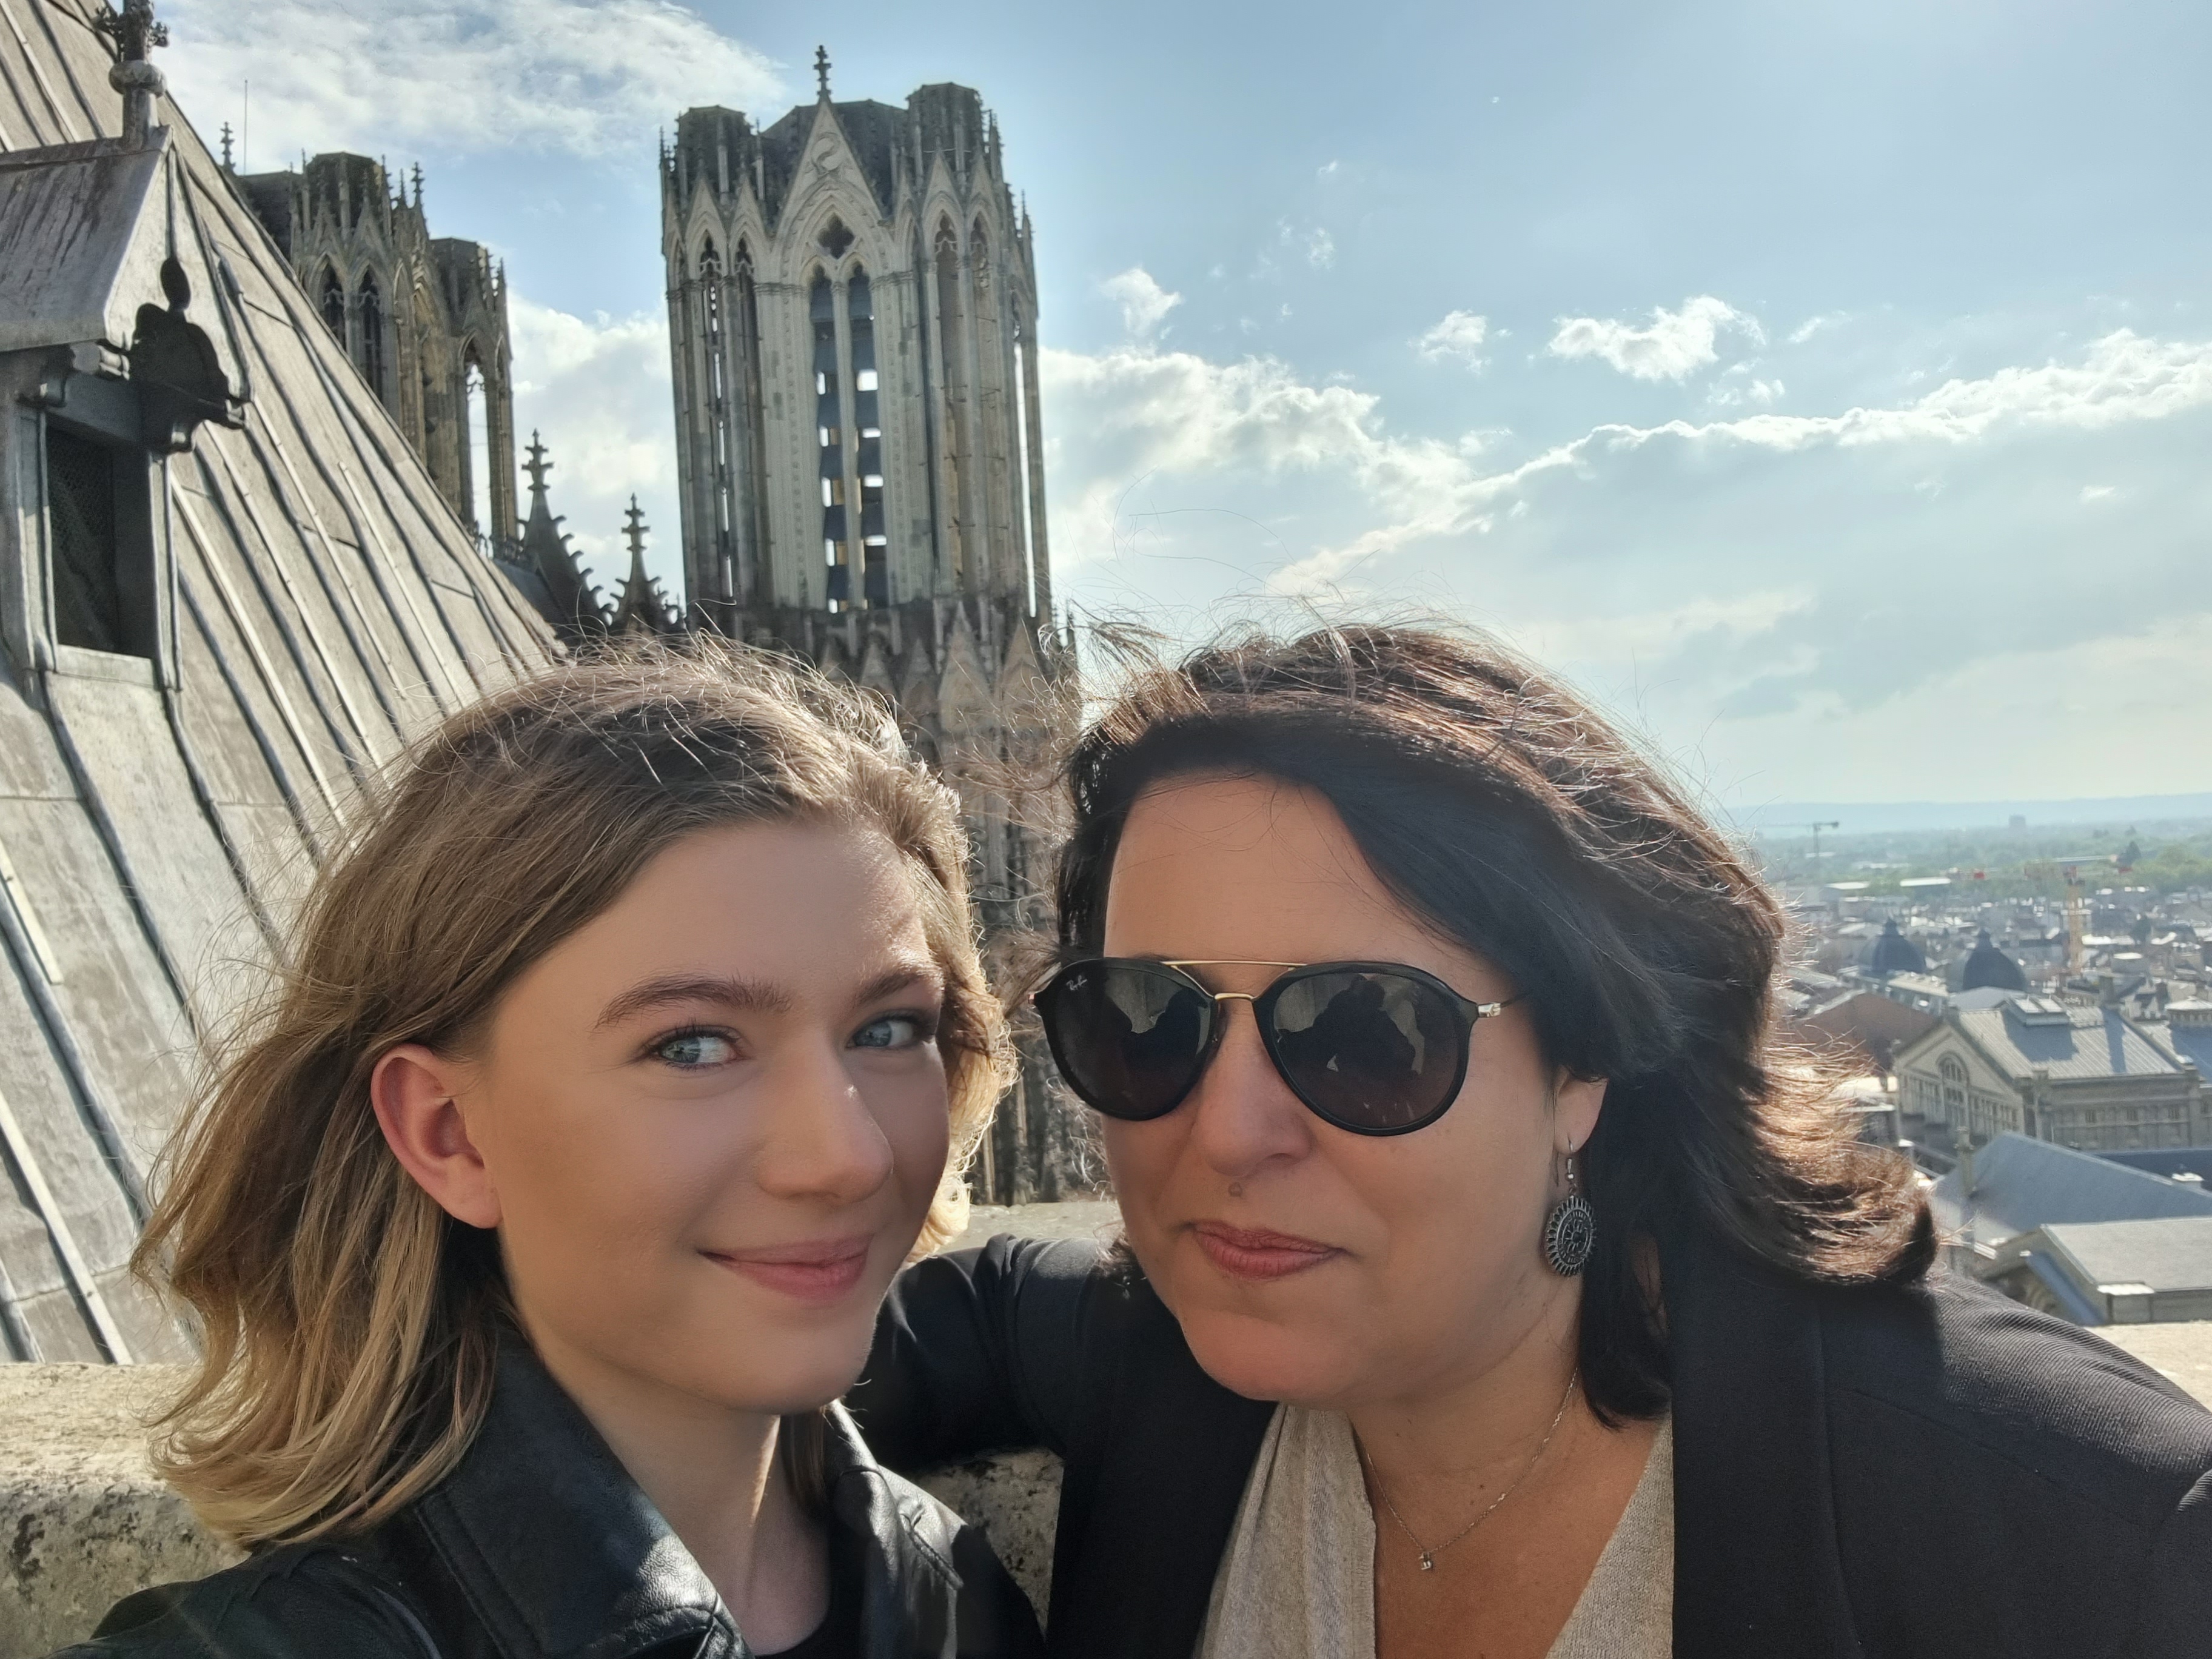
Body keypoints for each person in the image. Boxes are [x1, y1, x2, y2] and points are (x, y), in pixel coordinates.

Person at [851, 625, 2212, 1659]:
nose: (1230, 1133)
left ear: (1587, 1062)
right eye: (1146, 1021)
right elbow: (919, 1323)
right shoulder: (1155, 1363)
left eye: (1367, 1035)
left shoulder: (2087, 1531)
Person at [60, 648, 1044, 1659]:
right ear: (449, 1136)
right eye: (692, 1045)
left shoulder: (954, 1603)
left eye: (887, 1030)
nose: (848, 1158)